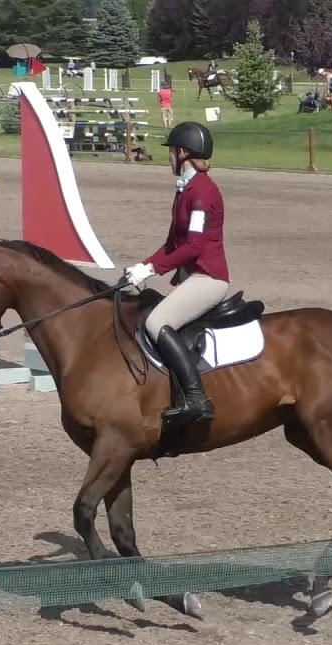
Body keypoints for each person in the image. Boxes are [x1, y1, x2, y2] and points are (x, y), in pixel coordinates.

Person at [121, 122, 230, 424]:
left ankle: (196, 397)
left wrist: (153, 269)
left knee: (157, 321)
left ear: (182, 153)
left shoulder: (201, 193)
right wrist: (141, 268)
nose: (169, 158)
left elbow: (194, 246)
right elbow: (173, 244)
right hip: (191, 276)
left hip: (208, 278)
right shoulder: (186, 189)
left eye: (171, 152)